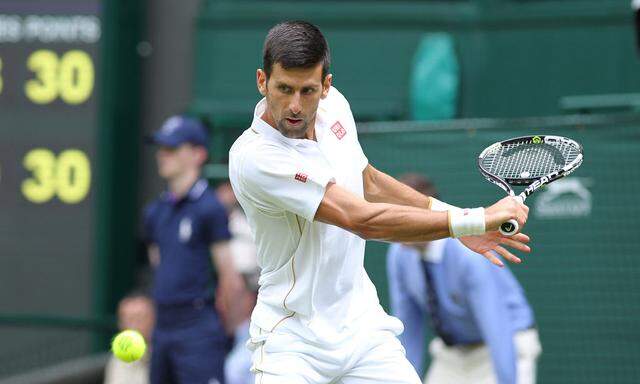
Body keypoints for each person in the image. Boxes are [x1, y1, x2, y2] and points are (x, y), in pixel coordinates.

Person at [228, 21, 531, 384]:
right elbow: (361, 219)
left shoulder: (335, 107)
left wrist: (457, 220)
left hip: (362, 331)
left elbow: (367, 181)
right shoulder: (255, 157)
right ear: (262, 81)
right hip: (292, 343)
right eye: (284, 89)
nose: (294, 105)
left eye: (307, 90)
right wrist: (473, 221)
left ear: (326, 86)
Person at [387, 174, 542, 384]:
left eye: (401, 213)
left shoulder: (468, 257)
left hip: (507, 343)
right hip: (452, 354)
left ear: (425, 216)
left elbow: (497, 325)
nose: (391, 222)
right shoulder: (398, 254)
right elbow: (408, 326)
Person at [144, 116, 244, 384]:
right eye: (161, 149)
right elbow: (159, 265)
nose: (163, 156)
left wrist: (227, 332)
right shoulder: (154, 212)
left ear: (198, 154)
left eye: (173, 149)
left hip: (198, 327)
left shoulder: (209, 208)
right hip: (163, 327)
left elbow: (229, 277)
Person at [104, 293, 155, 384]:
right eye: (128, 320)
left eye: (139, 318)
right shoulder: (117, 360)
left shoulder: (168, 356)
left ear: (154, 320)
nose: (133, 326)